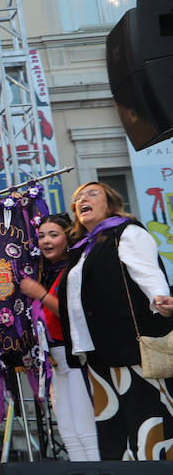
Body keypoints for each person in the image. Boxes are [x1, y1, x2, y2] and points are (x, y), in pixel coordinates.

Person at [61, 181, 173, 460]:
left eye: (92, 193)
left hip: (129, 345)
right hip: (95, 350)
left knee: (144, 418)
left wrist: (160, 299)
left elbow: (148, 272)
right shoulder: (81, 249)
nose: (82, 199)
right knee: (112, 426)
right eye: (78, 197)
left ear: (111, 205)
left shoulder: (127, 233)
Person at [18, 214, 100, 462]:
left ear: (69, 237)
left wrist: (40, 294)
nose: (46, 241)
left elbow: (72, 314)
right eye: (41, 236)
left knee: (86, 429)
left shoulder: (75, 270)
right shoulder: (47, 273)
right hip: (54, 360)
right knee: (67, 431)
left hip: (75, 357)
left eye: (53, 235)